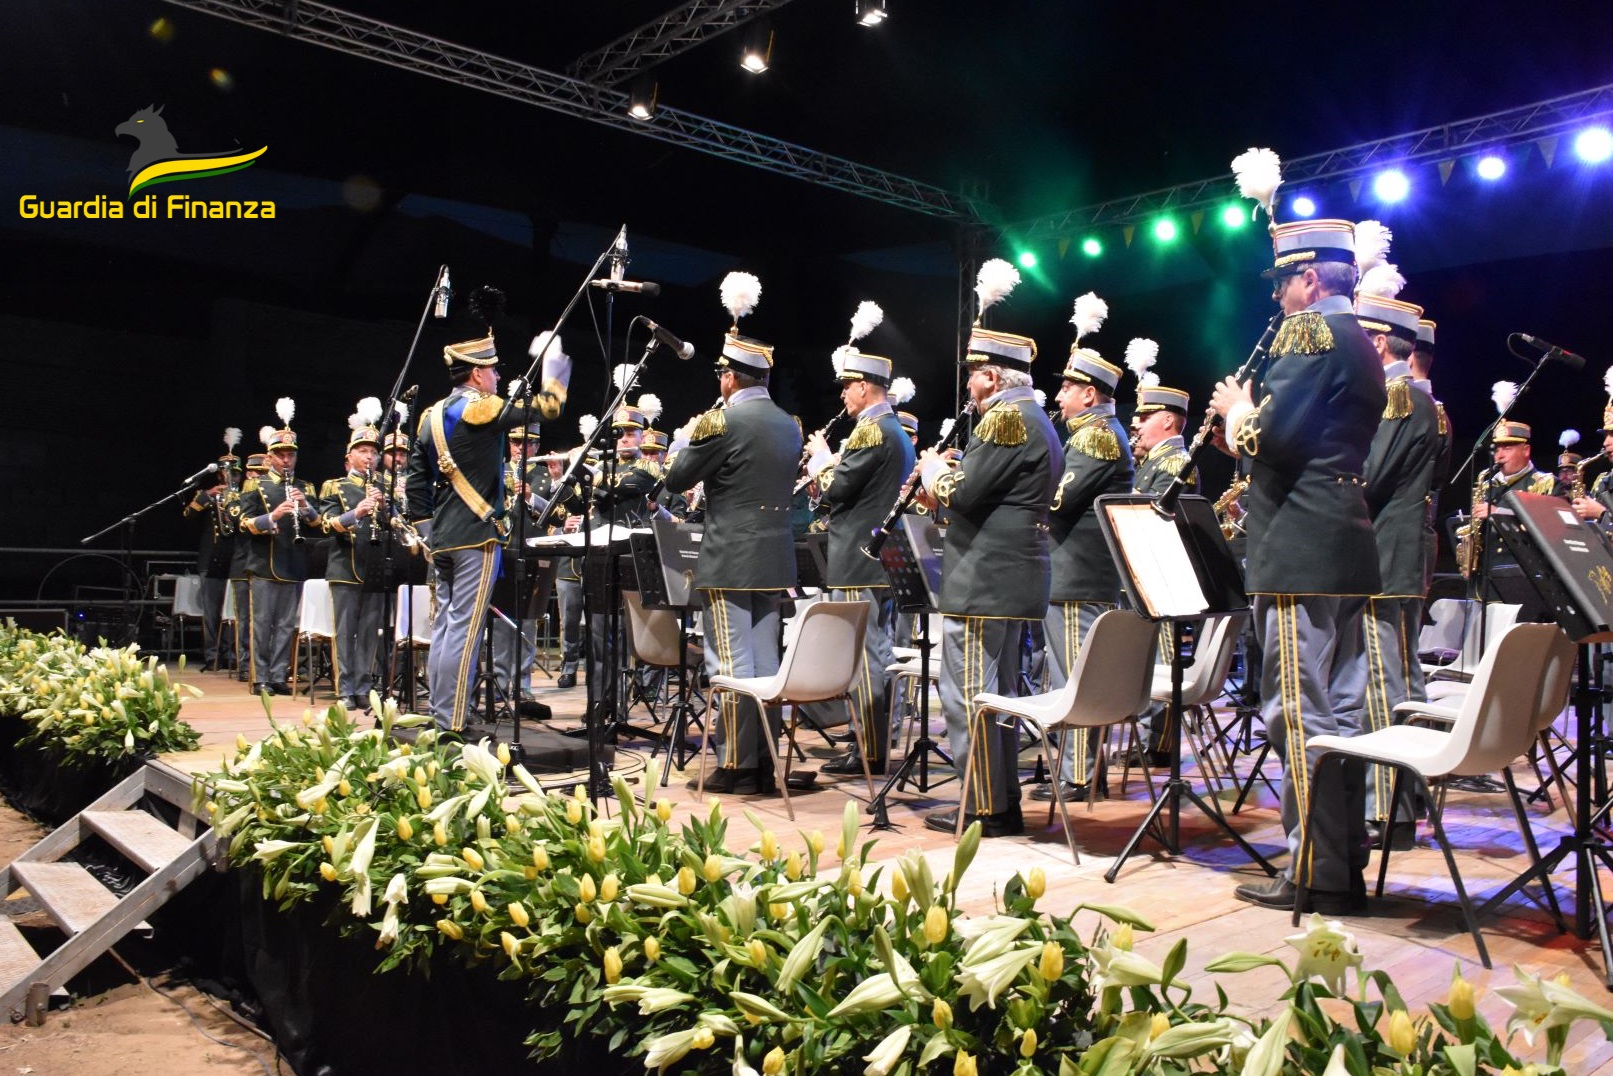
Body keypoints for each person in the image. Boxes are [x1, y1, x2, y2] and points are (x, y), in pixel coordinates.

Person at [1209, 219, 1383, 915]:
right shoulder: (1362, 341)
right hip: (1340, 540)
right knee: (1337, 712)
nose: (1277, 296)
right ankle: (1337, 864)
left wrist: (1235, 410)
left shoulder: (1309, 332)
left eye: (1283, 281)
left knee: (1299, 714)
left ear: (1310, 278)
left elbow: (1269, 438)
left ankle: (1312, 869)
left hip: (1298, 549)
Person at [917, 327, 1060, 837]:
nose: (969, 391)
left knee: (970, 695)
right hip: (1009, 577)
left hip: (983, 581)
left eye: (973, 379)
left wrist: (935, 471)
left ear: (992, 376)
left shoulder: (1004, 417)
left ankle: (982, 806)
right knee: (997, 697)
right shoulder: (1036, 418)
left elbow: (966, 493)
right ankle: (1001, 801)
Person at [406, 331, 569, 737]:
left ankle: (441, 711)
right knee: (464, 629)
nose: (498, 377)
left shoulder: (430, 416)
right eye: (493, 371)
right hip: (476, 538)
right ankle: (452, 721)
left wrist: (428, 533)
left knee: (445, 627)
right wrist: (554, 363)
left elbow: (415, 483)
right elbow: (547, 408)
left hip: (443, 539)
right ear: (477, 375)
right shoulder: (480, 408)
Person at [664, 328, 801, 795]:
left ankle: (738, 763)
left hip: (730, 556)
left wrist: (683, 441)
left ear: (730, 379)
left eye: (722, 372)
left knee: (731, 665)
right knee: (766, 665)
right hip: (774, 557)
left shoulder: (722, 422)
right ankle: (763, 760)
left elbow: (678, 475)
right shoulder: (788, 423)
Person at [1355, 291, 1441, 848]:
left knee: (1385, 684)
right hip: (1395, 556)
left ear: (1380, 340)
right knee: (1398, 679)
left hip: (1385, 558)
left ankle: (1388, 810)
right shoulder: (1407, 396)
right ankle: (1402, 804)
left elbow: (1366, 475)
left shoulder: (1395, 396)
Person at [803, 349, 915, 777]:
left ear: (865, 387)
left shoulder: (871, 431)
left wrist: (821, 459)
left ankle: (870, 750)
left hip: (859, 558)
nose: (844, 395)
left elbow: (839, 485)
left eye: (848, 386)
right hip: (876, 558)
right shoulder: (893, 430)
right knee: (873, 651)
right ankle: (869, 741)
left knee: (867, 656)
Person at [1033, 344, 1133, 803]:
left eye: (1068, 386)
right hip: (1075, 575)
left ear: (1090, 395)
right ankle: (1071, 770)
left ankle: (1078, 776)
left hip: (1079, 577)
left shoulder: (1096, 436)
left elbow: (1057, 499)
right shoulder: (1092, 432)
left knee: (1075, 678)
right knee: (1065, 675)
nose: (1059, 395)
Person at [240, 422, 318, 696]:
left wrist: (305, 507)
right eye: (281, 454)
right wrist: (272, 516)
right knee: (262, 623)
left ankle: (277, 675)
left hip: (293, 560)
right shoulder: (256, 484)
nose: (286, 460)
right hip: (263, 562)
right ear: (270, 457)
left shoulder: (304, 486)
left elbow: (317, 523)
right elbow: (242, 521)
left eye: (291, 455)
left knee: (286, 625)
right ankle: (259, 676)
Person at [319, 415, 387, 712]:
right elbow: (325, 524)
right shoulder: (334, 486)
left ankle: (363, 685)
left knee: (370, 631)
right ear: (350, 456)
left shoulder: (384, 486)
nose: (369, 456)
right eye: (363, 451)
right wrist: (356, 513)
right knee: (345, 632)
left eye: (373, 452)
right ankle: (345, 687)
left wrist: (384, 509)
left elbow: (396, 525)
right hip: (345, 566)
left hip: (373, 566)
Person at [1470, 421, 1560, 588]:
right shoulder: (1487, 486)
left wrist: (1498, 514)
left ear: (1526, 450)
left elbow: (1551, 530)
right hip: (1483, 581)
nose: (1499, 455)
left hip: (1521, 578)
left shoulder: (1547, 483)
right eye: (1497, 449)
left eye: (1507, 448)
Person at [182, 439, 242, 671]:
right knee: (212, 612)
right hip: (212, 558)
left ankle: (231, 655)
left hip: (235, 558)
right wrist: (206, 496)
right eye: (227, 474)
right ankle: (212, 656)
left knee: (232, 610)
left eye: (235, 475)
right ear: (219, 476)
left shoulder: (242, 497)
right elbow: (188, 516)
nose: (231, 479)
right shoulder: (206, 495)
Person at [1131, 386, 1197, 496]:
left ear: (1168, 421)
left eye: (1144, 418)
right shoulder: (1153, 459)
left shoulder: (1176, 463)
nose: (1137, 426)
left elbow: (1152, 511)